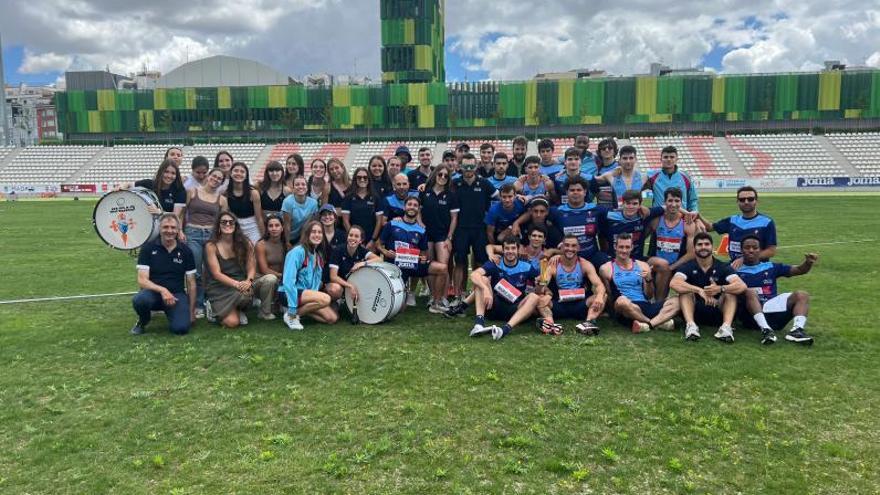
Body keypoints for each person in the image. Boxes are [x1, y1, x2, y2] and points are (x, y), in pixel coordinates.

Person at [450, 234, 542, 341]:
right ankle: (479, 324)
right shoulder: (496, 263)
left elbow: (540, 287)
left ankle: (505, 329)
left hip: (515, 308)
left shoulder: (527, 266)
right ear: (502, 250)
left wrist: (541, 284)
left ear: (518, 250)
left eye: (513, 248)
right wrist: (485, 289)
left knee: (534, 297)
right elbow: (474, 274)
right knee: (483, 280)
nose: (510, 251)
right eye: (507, 248)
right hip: (494, 306)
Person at [513, 177, 610, 270]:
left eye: (579, 190)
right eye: (572, 190)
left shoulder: (598, 210)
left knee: (605, 264)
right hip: (565, 256)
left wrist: (604, 251)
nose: (575, 193)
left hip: (591, 255)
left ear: (585, 192)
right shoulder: (557, 211)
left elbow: (604, 234)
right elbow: (536, 211)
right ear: (567, 192)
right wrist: (516, 223)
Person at [735, 235, 816, 345]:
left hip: (774, 314)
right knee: (750, 291)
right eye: (747, 247)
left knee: (802, 294)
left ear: (760, 250)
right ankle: (766, 330)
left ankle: (797, 331)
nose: (751, 250)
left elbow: (799, 270)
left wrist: (808, 263)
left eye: (755, 247)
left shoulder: (771, 267)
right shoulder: (733, 269)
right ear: (741, 250)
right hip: (750, 318)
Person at [669, 232, 747, 343]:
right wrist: (699, 290)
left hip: (718, 308)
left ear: (712, 247)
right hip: (695, 309)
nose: (703, 247)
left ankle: (725, 328)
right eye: (700, 244)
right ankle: (691, 327)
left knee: (730, 292)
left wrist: (720, 289)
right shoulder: (687, 266)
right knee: (685, 292)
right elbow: (674, 283)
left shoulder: (723, 266)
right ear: (694, 248)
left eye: (707, 244)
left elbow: (741, 285)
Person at [599, 233, 679, 333]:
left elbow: (649, 296)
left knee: (678, 300)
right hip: (625, 307)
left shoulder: (642, 265)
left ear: (632, 247)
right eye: (621, 247)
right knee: (622, 301)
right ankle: (657, 322)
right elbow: (610, 297)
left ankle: (648, 324)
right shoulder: (606, 269)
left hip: (644, 305)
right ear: (615, 247)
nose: (624, 250)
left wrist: (648, 280)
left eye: (627, 247)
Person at [131, 213, 196, 335]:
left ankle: (174, 313)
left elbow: (191, 284)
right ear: (159, 229)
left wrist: (192, 312)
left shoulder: (186, 251)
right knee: (140, 300)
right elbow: (142, 280)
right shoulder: (148, 249)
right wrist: (162, 290)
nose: (169, 231)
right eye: (165, 227)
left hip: (176, 295)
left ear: (178, 230)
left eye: (173, 228)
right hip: (153, 294)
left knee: (181, 329)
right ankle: (143, 320)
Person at [377, 196, 448, 310]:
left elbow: (423, 253)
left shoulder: (421, 230)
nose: (412, 207)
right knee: (400, 308)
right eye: (409, 204)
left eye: (415, 205)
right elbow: (378, 244)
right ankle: (402, 294)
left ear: (419, 209)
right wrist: (385, 252)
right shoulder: (393, 224)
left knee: (442, 268)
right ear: (404, 207)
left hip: (412, 264)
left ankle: (436, 303)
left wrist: (422, 258)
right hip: (395, 266)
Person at [535, 235, 607, 336]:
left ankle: (589, 322)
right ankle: (550, 324)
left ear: (578, 248)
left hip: (580, 304)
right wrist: (540, 284)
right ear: (562, 247)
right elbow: (541, 288)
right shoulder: (553, 264)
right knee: (539, 298)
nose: (570, 249)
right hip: (559, 304)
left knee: (603, 295)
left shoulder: (585, 264)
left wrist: (599, 296)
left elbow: (599, 285)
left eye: (573, 246)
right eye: (567, 245)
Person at [451, 153, 497, 302]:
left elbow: (500, 197)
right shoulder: (454, 184)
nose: (469, 169)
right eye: (465, 166)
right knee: (460, 262)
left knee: (481, 262)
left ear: (476, 166)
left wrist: (520, 196)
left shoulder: (484, 183)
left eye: (471, 166)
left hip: (480, 229)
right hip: (461, 229)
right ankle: (459, 295)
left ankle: (481, 293)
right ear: (460, 167)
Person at [183, 167, 228, 318]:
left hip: (210, 235)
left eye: (219, 179)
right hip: (193, 233)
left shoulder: (222, 200)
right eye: (214, 176)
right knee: (195, 271)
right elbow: (182, 214)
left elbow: (223, 221)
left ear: (222, 183)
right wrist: (180, 231)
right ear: (208, 176)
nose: (215, 180)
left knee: (212, 270)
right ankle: (197, 304)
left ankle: (212, 302)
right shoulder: (192, 192)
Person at [280, 220, 338, 330]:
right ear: (307, 234)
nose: (317, 235)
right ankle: (291, 315)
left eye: (320, 232)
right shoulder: (297, 251)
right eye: (313, 232)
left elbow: (315, 284)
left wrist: (314, 299)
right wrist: (292, 306)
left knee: (332, 318)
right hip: (288, 292)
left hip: (305, 294)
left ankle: (299, 313)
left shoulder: (318, 255)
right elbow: (288, 281)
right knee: (326, 299)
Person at [701, 186, 777, 268]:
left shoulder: (766, 222)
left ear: (756, 201)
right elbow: (710, 227)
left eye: (750, 199)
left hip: (757, 269)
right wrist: (698, 216)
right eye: (742, 199)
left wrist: (745, 259)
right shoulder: (732, 220)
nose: (746, 202)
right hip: (735, 267)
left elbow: (771, 251)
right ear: (737, 202)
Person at [204, 211, 256, 328]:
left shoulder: (245, 242)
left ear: (236, 225)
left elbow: (251, 267)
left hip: (240, 281)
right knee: (233, 323)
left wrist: (248, 281)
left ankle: (237, 309)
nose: (228, 224)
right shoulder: (211, 246)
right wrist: (237, 284)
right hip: (219, 287)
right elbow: (216, 274)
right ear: (218, 225)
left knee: (247, 293)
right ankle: (212, 309)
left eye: (231, 222)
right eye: (224, 222)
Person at [420, 164, 459, 310]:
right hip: (427, 234)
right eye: (440, 174)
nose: (442, 177)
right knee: (430, 266)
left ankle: (442, 297)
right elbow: (418, 210)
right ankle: (432, 296)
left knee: (443, 266)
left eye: (445, 175)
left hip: (443, 234)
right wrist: (420, 224)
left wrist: (450, 237)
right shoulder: (425, 192)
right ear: (435, 175)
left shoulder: (451, 195)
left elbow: (454, 218)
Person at [646, 187, 696, 299]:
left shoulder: (687, 223)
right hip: (656, 263)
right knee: (662, 267)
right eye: (670, 201)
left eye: (677, 201)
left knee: (667, 269)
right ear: (664, 202)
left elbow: (691, 253)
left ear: (681, 202)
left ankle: (662, 303)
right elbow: (641, 237)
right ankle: (659, 302)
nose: (673, 204)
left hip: (677, 264)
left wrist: (672, 267)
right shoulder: (656, 220)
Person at [325, 225, 381, 302]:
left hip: (354, 284)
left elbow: (379, 259)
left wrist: (362, 263)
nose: (353, 238)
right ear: (347, 237)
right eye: (350, 235)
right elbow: (333, 277)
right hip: (339, 283)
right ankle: (338, 301)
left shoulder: (361, 250)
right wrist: (350, 286)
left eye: (356, 236)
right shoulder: (338, 250)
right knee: (335, 289)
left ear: (361, 240)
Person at [253, 214, 289, 320]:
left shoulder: (286, 245)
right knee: (270, 278)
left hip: (279, 281)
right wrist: (282, 276)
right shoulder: (261, 245)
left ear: (282, 228)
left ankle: (279, 303)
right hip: (261, 281)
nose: (274, 228)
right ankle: (264, 312)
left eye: (277, 225)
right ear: (267, 228)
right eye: (271, 226)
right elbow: (264, 270)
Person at [643, 146, 699, 211]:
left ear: (676, 159)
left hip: (681, 218)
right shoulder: (652, 176)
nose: (669, 159)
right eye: (665, 157)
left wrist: (694, 211)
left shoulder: (685, 177)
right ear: (661, 159)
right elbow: (635, 191)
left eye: (672, 157)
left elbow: (693, 199)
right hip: (659, 218)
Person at [341, 167, 382, 251]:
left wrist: (373, 240)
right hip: (353, 240)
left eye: (365, 177)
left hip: (370, 240)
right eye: (359, 177)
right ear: (355, 179)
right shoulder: (348, 197)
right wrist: (354, 238)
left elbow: (379, 221)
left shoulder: (375, 197)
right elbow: (345, 221)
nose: (362, 179)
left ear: (369, 179)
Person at [225, 162, 265, 244]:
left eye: (242, 171)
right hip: (236, 227)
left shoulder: (253, 193)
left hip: (252, 227)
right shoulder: (226, 194)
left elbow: (259, 218)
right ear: (231, 173)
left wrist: (263, 237)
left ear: (246, 175)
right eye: (236, 171)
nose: (238, 173)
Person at [281, 175, 319, 245]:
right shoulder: (288, 202)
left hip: (303, 235)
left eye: (303, 184)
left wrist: (301, 242)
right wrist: (287, 243)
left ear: (307, 188)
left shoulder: (313, 203)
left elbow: (307, 225)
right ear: (293, 188)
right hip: (288, 236)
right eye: (297, 185)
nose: (300, 187)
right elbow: (287, 225)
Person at [592, 138, 619, 207]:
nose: (606, 150)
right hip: (602, 208)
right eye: (603, 149)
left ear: (614, 150)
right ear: (599, 152)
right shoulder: (597, 170)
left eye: (610, 148)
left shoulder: (620, 167)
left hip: (618, 208)